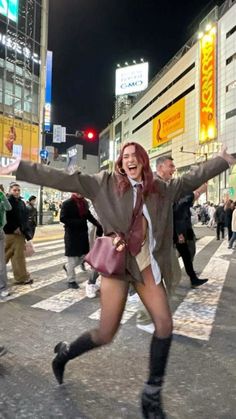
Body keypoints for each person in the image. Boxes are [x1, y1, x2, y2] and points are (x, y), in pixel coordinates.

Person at [0, 144, 234, 419]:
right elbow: (65, 178)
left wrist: (222, 161)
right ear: (121, 163)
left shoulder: (159, 186)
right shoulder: (105, 183)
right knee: (105, 333)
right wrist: (21, 167)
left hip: (146, 264)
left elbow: (190, 179)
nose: (131, 159)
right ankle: (64, 354)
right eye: (126, 157)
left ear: (144, 161)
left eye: (136, 156)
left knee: (164, 324)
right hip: (118, 265)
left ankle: (151, 394)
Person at [156, 156, 208, 288]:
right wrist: (196, 193)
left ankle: (192, 278)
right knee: (176, 255)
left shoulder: (169, 184)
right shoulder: (157, 184)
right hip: (170, 230)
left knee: (186, 252)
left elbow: (180, 206)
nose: (174, 169)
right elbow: (176, 209)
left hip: (178, 228)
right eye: (171, 166)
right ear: (160, 167)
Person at [60, 193, 103, 289]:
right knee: (72, 258)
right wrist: (77, 222)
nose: (79, 193)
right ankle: (71, 280)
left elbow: (88, 215)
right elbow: (62, 218)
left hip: (83, 234)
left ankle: (67, 267)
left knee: (85, 256)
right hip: (72, 234)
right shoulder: (67, 203)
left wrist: (97, 224)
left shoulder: (85, 202)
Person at [4, 183, 33, 285]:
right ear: (10, 190)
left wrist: (25, 232)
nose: (16, 192)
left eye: (18, 190)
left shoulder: (21, 202)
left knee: (18, 257)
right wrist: (13, 227)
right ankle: (21, 277)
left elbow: (24, 218)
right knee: (6, 256)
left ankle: (22, 277)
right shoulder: (7, 201)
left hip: (19, 234)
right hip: (9, 233)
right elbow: (6, 217)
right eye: (15, 190)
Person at [0, 185, 12, 298]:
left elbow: (9, 208)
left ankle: (2, 288)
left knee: (1, 263)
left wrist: (2, 196)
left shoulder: (1, 197)